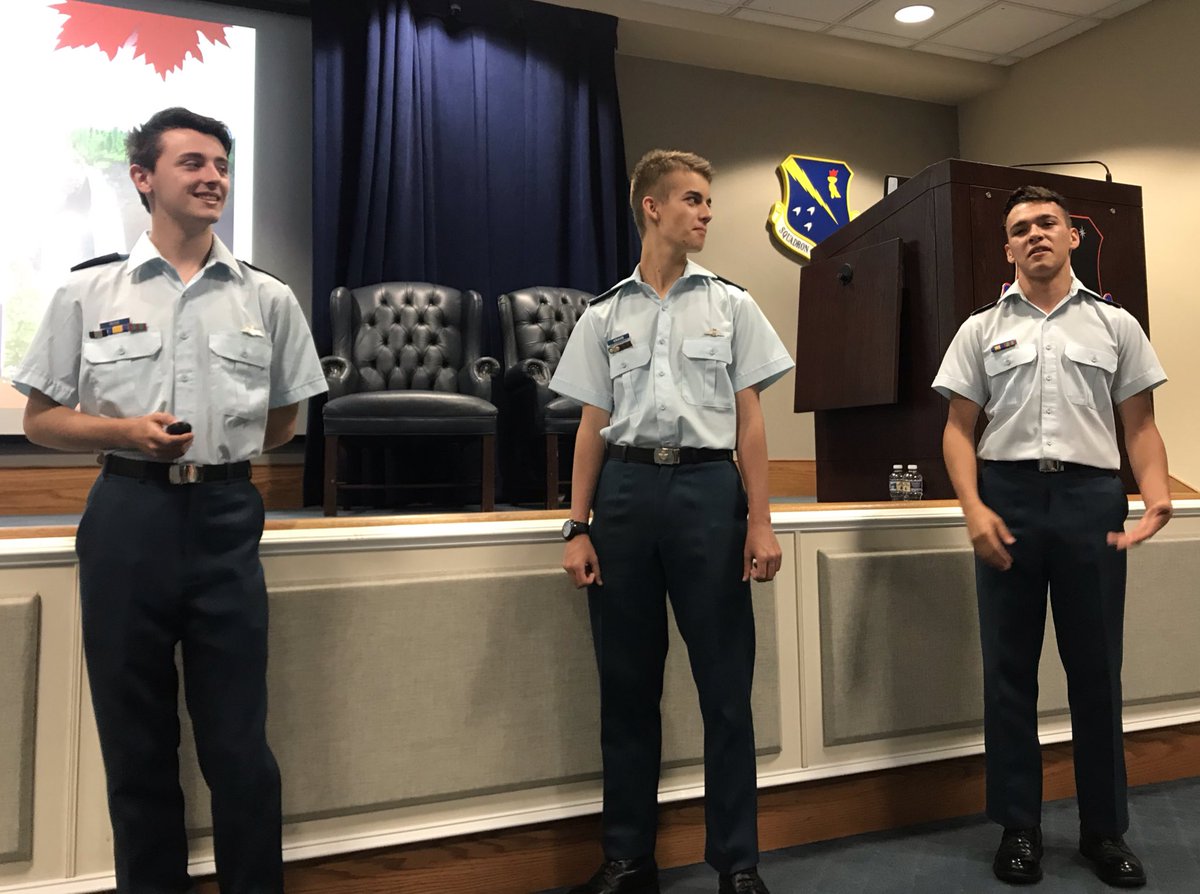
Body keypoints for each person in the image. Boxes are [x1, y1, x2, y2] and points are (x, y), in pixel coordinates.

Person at [14, 107, 327, 893]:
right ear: (144, 178)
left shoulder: (268, 297)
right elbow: (41, 419)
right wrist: (124, 431)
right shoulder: (88, 290)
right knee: (137, 746)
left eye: (221, 165)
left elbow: (283, 421)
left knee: (239, 747)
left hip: (225, 519)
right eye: (193, 163)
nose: (213, 177)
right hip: (128, 518)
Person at [551, 149, 794, 894]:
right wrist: (576, 525)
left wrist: (761, 520)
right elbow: (591, 426)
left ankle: (737, 863)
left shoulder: (732, 305)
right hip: (624, 496)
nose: (707, 213)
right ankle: (628, 859)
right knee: (626, 689)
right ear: (652, 207)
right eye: (693, 199)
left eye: (709, 201)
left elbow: (751, 423)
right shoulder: (604, 314)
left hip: (707, 494)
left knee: (725, 688)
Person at [933, 185, 1171, 888]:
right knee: (1008, 672)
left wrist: (1156, 492)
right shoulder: (980, 329)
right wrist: (972, 508)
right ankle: (1019, 828)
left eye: (1047, 223)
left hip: (1089, 501)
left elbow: (1140, 426)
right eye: (1020, 228)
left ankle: (1104, 831)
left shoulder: (1115, 325)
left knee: (1096, 672)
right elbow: (957, 431)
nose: (1034, 234)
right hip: (1006, 498)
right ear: (1007, 248)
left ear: (1073, 236)